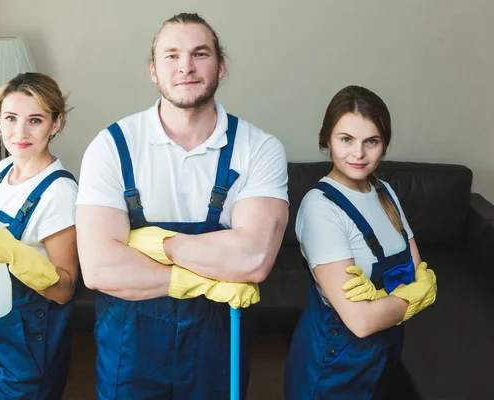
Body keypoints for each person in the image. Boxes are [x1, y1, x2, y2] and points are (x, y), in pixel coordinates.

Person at [76, 12, 289, 400]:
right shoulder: (111, 146)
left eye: (200, 54)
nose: (186, 67)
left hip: (218, 346)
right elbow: (99, 267)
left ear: (221, 66)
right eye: (171, 56)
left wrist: (158, 244)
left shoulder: (259, 148)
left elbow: (255, 258)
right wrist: (201, 277)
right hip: (131, 350)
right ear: (153, 70)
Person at [284, 85, 437, 400]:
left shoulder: (385, 192)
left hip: (384, 354)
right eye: (346, 140)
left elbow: (416, 267)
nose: (358, 154)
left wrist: (388, 300)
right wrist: (414, 296)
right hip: (334, 363)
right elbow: (361, 321)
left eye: (372, 141)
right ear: (327, 139)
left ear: (384, 145)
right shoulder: (320, 208)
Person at [0, 72, 79, 399]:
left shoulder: (59, 192)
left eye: (35, 120)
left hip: (31, 349)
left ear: (56, 123)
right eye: (10, 118)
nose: (19, 132)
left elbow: (65, 290)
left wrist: (15, 255)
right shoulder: (1, 172)